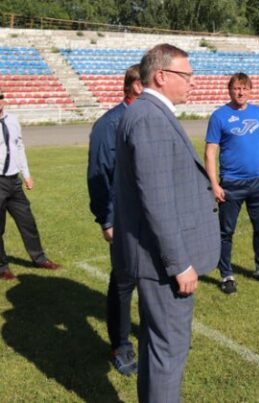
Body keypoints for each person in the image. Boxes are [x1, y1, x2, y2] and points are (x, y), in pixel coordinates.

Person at [113, 43, 220, 402]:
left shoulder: (147, 113)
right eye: (186, 76)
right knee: (167, 351)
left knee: (157, 348)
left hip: (156, 258)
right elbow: (156, 200)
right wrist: (180, 263)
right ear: (162, 76)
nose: (192, 82)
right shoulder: (149, 118)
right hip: (162, 263)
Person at [86, 64, 142, 375]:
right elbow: (98, 176)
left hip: (151, 219)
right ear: (134, 86)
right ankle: (121, 345)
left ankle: (151, 335)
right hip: (122, 220)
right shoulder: (109, 125)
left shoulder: (152, 119)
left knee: (151, 281)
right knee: (123, 282)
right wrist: (106, 220)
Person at [205, 72, 259, 294]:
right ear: (230, 90)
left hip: (258, 182)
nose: (240, 92)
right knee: (225, 231)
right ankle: (226, 275)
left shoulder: (258, 113)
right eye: (236, 88)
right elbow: (210, 153)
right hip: (231, 185)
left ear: (250, 90)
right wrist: (215, 184)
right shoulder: (219, 116)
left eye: (244, 88)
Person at [0, 87, 60, 281]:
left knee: (28, 222)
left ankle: (39, 259)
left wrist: (26, 175)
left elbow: (19, 146)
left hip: (14, 181)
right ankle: (2, 267)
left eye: (1, 97)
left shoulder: (12, 120)